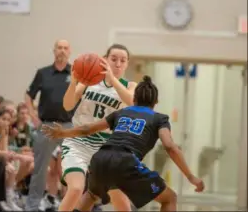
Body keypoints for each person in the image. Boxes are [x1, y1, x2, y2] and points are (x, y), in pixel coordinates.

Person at [42, 76, 205, 211]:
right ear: (156, 101)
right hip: (126, 161)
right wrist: (191, 176)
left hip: (100, 158)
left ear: (133, 99)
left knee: (92, 195)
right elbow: (169, 146)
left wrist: (63, 133)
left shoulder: (122, 112)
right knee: (169, 198)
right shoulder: (159, 118)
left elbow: (87, 129)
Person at [59, 44, 137, 211]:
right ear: (105, 60)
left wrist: (112, 79)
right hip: (78, 141)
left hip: (107, 147)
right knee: (76, 189)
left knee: (122, 202)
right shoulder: (90, 81)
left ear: (127, 64)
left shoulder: (130, 86)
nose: (117, 64)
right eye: (113, 59)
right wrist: (74, 82)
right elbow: (67, 105)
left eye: (122, 60)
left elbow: (132, 102)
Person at [25, 39, 74, 211]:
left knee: (73, 168)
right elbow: (28, 95)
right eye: (59, 47)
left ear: (70, 51)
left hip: (69, 126)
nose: (62, 51)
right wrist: (33, 116)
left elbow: (85, 98)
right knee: (40, 168)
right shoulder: (43, 73)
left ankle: (72, 205)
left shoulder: (76, 72)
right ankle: (32, 205)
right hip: (46, 125)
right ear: (54, 51)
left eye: (65, 48)